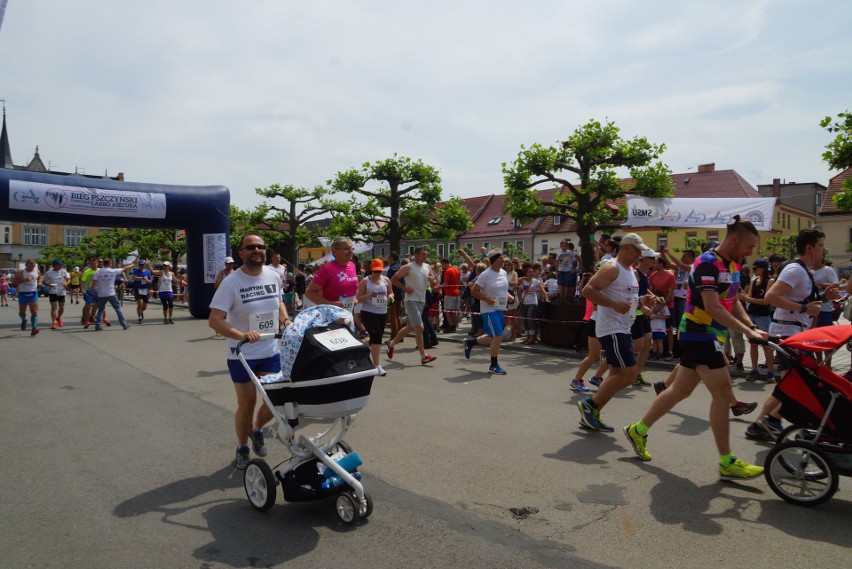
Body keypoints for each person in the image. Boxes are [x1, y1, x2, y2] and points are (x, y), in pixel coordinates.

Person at [623, 216, 766, 481]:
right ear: (734, 239)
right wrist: (747, 332)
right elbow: (712, 307)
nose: (750, 252)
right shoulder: (707, 264)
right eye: (749, 246)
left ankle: (638, 430)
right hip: (699, 332)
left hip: (710, 333)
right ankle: (727, 461)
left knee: (680, 390)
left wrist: (751, 326)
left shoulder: (734, 263)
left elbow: (732, 302)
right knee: (723, 396)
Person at [209, 232, 292, 469]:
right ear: (241, 253)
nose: (257, 250)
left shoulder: (273, 275)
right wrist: (241, 335)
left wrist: (285, 321)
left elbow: (278, 302)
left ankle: (257, 430)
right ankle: (242, 447)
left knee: (275, 399)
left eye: (261, 247)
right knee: (247, 403)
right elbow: (215, 320)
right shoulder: (231, 282)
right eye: (251, 247)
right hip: (242, 354)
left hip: (270, 350)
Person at [746, 228, 838, 440]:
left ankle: (764, 422)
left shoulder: (805, 271)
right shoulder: (795, 270)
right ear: (809, 248)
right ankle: (770, 421)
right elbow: (771, 296)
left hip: (794, 331)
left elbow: (800, 300)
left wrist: (824, 297)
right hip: (787, 332)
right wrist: (804, 310)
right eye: (821, 246)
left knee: (790, 383)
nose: (823, 251)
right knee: (795, 383)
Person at [575, 234, 649, 430]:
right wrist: (613, 304)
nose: (639, 255)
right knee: (630, 374)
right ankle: (589, 406)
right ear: (625, 247)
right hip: (612, 328)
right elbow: (588, 290)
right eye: (636, 250)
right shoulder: (611, 267)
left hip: (623, 327)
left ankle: (591, 415)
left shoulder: (630, 270)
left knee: (617, 374)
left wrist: (643, 303)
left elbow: (626, 296)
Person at [463, 250, 513, 375]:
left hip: (500, 309)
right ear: (494, 260)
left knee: (492, 337)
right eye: (501, 258)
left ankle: (470, 342)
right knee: (497, 336)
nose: (503, 260)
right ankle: (494, 365)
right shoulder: (485, 274)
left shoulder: (503, 273)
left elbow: (501, 288)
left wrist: (508, 295)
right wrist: (487, 299)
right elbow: (474, 291)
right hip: (489, 310)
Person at [387, 246, 438, 365]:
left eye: (426, 254)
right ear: (416, 255)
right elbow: (394, 279)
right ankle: (423, 356)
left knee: (410, 326)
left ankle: (392, 343)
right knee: (419, 327)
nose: (425, 256)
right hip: (410, 300)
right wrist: (404, 288)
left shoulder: (427, 267)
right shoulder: (408, 267)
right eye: (423, 254)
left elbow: (434, 283)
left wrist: (433, 281)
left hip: (421, 300)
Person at [357, 258, 394, 376]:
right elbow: (358, 299)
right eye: (375, 271)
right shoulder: (365, 281)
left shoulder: (386, 280)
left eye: (379, 271)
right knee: (377, 336)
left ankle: (361, 348)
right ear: (371, 269)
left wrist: (391, 298)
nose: (377, 273)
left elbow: (391, 293)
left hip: (382, 312)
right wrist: (369, 296)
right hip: (368, 312)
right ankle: (377, 365)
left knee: (375, 337)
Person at [740, 258, 774, 381]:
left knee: (766, 346)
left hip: (763, 316)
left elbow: (766, 301)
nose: (754, 270)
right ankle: (754, 370)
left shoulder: (770, 281)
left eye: (756, 268)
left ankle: (770, 372)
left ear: (763, 269)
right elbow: (747, 297)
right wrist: (741, 293)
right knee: (753, 344)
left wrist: (748, 299)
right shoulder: (754, 281)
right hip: (752, 314)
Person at [304, 237, 359, 310]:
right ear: (335, 252)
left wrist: (354, 299)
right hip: (331, 315)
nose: (350, 251)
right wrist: (328, 304)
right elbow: (309, 293)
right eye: (346, 249)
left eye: (351, 249)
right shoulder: (326, 269)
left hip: (348, 314)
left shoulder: (352, 266)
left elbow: (351, 287)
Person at [92, 259, 135, 330]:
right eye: (111, 263)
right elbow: (125, 268)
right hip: (111, 293)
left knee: (100, 310)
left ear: (103, 264)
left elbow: (93, 283)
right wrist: (133, 263)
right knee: (118, 308)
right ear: (109, 264)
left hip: (101, 294)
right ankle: (124, 324)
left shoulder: (98, 271)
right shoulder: (113, 271)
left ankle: (98, 325)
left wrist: (92, 292)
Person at [519, 266, 547, 344]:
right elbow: (515, 282)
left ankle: (532, 337)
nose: (531, 273)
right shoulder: (523, 281)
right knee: (525, 319)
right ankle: (527, 336)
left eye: (532, 272)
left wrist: (546, 298)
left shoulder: (536, 281)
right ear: (526, 273)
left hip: (533, 303)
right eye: (529, 272)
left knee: (530, 319)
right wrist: (521, 278)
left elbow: (543, 291)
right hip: (524, 302)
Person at [13, 259, 41, 335]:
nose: (31, 268)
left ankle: (34, 328)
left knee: (34, 311)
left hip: (33, 293)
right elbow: (14, 283)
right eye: (29, 266)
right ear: (26, 265)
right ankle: (24, 319)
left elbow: (39, 278)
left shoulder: (37, 271)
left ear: (34, 266)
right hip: (22, 293)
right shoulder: (20, 272)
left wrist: (39, 283)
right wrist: (25, 280)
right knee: (21, 312)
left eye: (32, 266)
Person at [43, 259, 70, 329]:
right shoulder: (49, 272)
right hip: (53, 291)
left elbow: (68, 279)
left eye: (61, 265)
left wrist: (66, 283)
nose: (61, 266)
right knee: (54, 307)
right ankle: (54, 322)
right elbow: (44, 281)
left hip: (61, 291)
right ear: (54, 265)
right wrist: (48, 284)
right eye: (59, 265)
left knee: (62, 307)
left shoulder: (64, 271)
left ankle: (58, 318)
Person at [386, 251, 404, 340]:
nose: (387, 259)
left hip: (391, 295)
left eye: (388, 258)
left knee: (392, 316)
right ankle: (400, 336)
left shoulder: (391, 269)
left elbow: (388, 282)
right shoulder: (401, 267)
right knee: (398, 315)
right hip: (400, 294)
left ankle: (394, 336)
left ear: (391, 258)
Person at [440, 258, 461, 333]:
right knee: (453, 311)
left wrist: (438, 286)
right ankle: (454, 325)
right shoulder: (456, 270)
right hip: (456, 292)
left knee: (447, 311)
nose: (442, 266)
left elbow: (446, 282)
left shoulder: (448, 271)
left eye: (442, 264)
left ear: (445, 263)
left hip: (449, 293)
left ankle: (451, 326)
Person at [130, 259, 153, 324]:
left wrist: (147, 281)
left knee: (144, 306)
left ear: (144, 265)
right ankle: (140, 317)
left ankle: (140, 312)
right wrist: (143, 278)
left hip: (145, 289)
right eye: (140, 265)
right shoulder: (135, 271)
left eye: (142, 265)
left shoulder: (148, 272)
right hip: (138, 289)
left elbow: (150, 281)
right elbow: (135, 278)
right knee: (140, 303)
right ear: (138, 265)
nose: (141, 266)